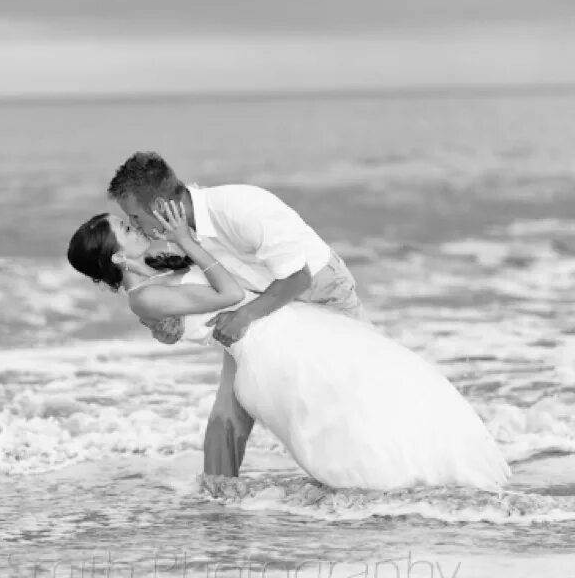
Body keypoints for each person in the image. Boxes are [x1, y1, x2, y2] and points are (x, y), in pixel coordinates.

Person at [67, 202, 511, 491]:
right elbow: (229, 296)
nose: (136, 227)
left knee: (368, 393)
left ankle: (416, 476)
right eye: (126, 228)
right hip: (270, 351)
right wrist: (187, 243)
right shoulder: (144, 296)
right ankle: (386, 485)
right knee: (341, 416)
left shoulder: (156, 279)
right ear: (116, 258)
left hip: (288, 330)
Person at [106, 152, 368, 477]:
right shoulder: (174, 235)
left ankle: (365, 482)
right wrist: (168, 326)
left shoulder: (240, 208)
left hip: (322, 292)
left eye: (134, 216)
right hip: (261, 307)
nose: (134, 226)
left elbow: (298, 277)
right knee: (228, 411)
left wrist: (243, 316)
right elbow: (190, 288)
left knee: (356, 393)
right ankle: (218, 498)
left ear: (159, 206)